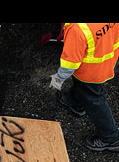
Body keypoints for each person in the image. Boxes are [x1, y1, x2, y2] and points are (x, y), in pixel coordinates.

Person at [49, 23, 119, 152]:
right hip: (105, 60)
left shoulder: (77, 29)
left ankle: (110, 137)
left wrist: (59, 78)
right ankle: (75, 102)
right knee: (84, 90)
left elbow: (70, 63)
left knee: (95, 100)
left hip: (89, 72)